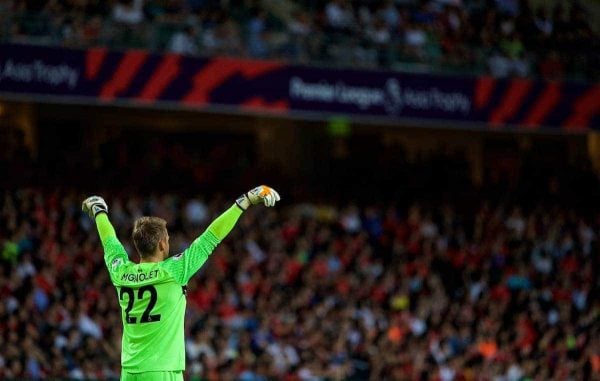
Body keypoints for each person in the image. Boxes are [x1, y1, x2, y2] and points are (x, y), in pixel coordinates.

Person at [81, 186, 281, 381]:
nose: (168, 242)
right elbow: (211, 237)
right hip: (162, 371)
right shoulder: (174, 271)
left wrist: (99, 212)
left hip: (129, 371)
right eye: (167, 239)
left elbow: (109, 241)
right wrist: (243, 202)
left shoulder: (121, 271)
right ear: (161, 244)